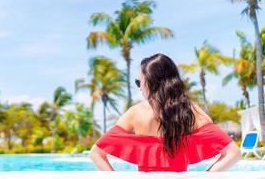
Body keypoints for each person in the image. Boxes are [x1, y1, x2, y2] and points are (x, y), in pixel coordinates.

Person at [89, 53, 241, 172]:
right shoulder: (190, 110)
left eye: (139, 82)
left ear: (151, 82)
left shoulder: (135, 112)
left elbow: (96, 153)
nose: (140, 88)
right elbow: (233, 153)